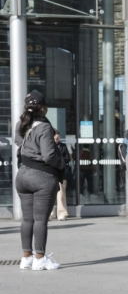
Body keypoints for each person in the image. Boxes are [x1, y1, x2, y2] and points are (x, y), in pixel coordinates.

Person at [14, 90, 65, 270]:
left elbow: (17, 141)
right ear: (43, 107)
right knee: (41, 220)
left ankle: (26, 258)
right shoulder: (44, 126)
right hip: (42, 177)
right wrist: (62, 164)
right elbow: (49, 155)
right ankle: (40, 259)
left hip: (22, 176)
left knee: (27, 220)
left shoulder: (22, 123)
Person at [53, 129, 70, 221]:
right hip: (51, 173)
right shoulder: (48, 146)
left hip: (61, 172)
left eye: (58, 139)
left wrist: (59, 161)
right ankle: (49, 214)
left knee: (61, 194)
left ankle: (62, 213)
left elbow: (67, 158)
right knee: (49, 194)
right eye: (55, 139)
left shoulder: (63, 146)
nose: (56, 141)